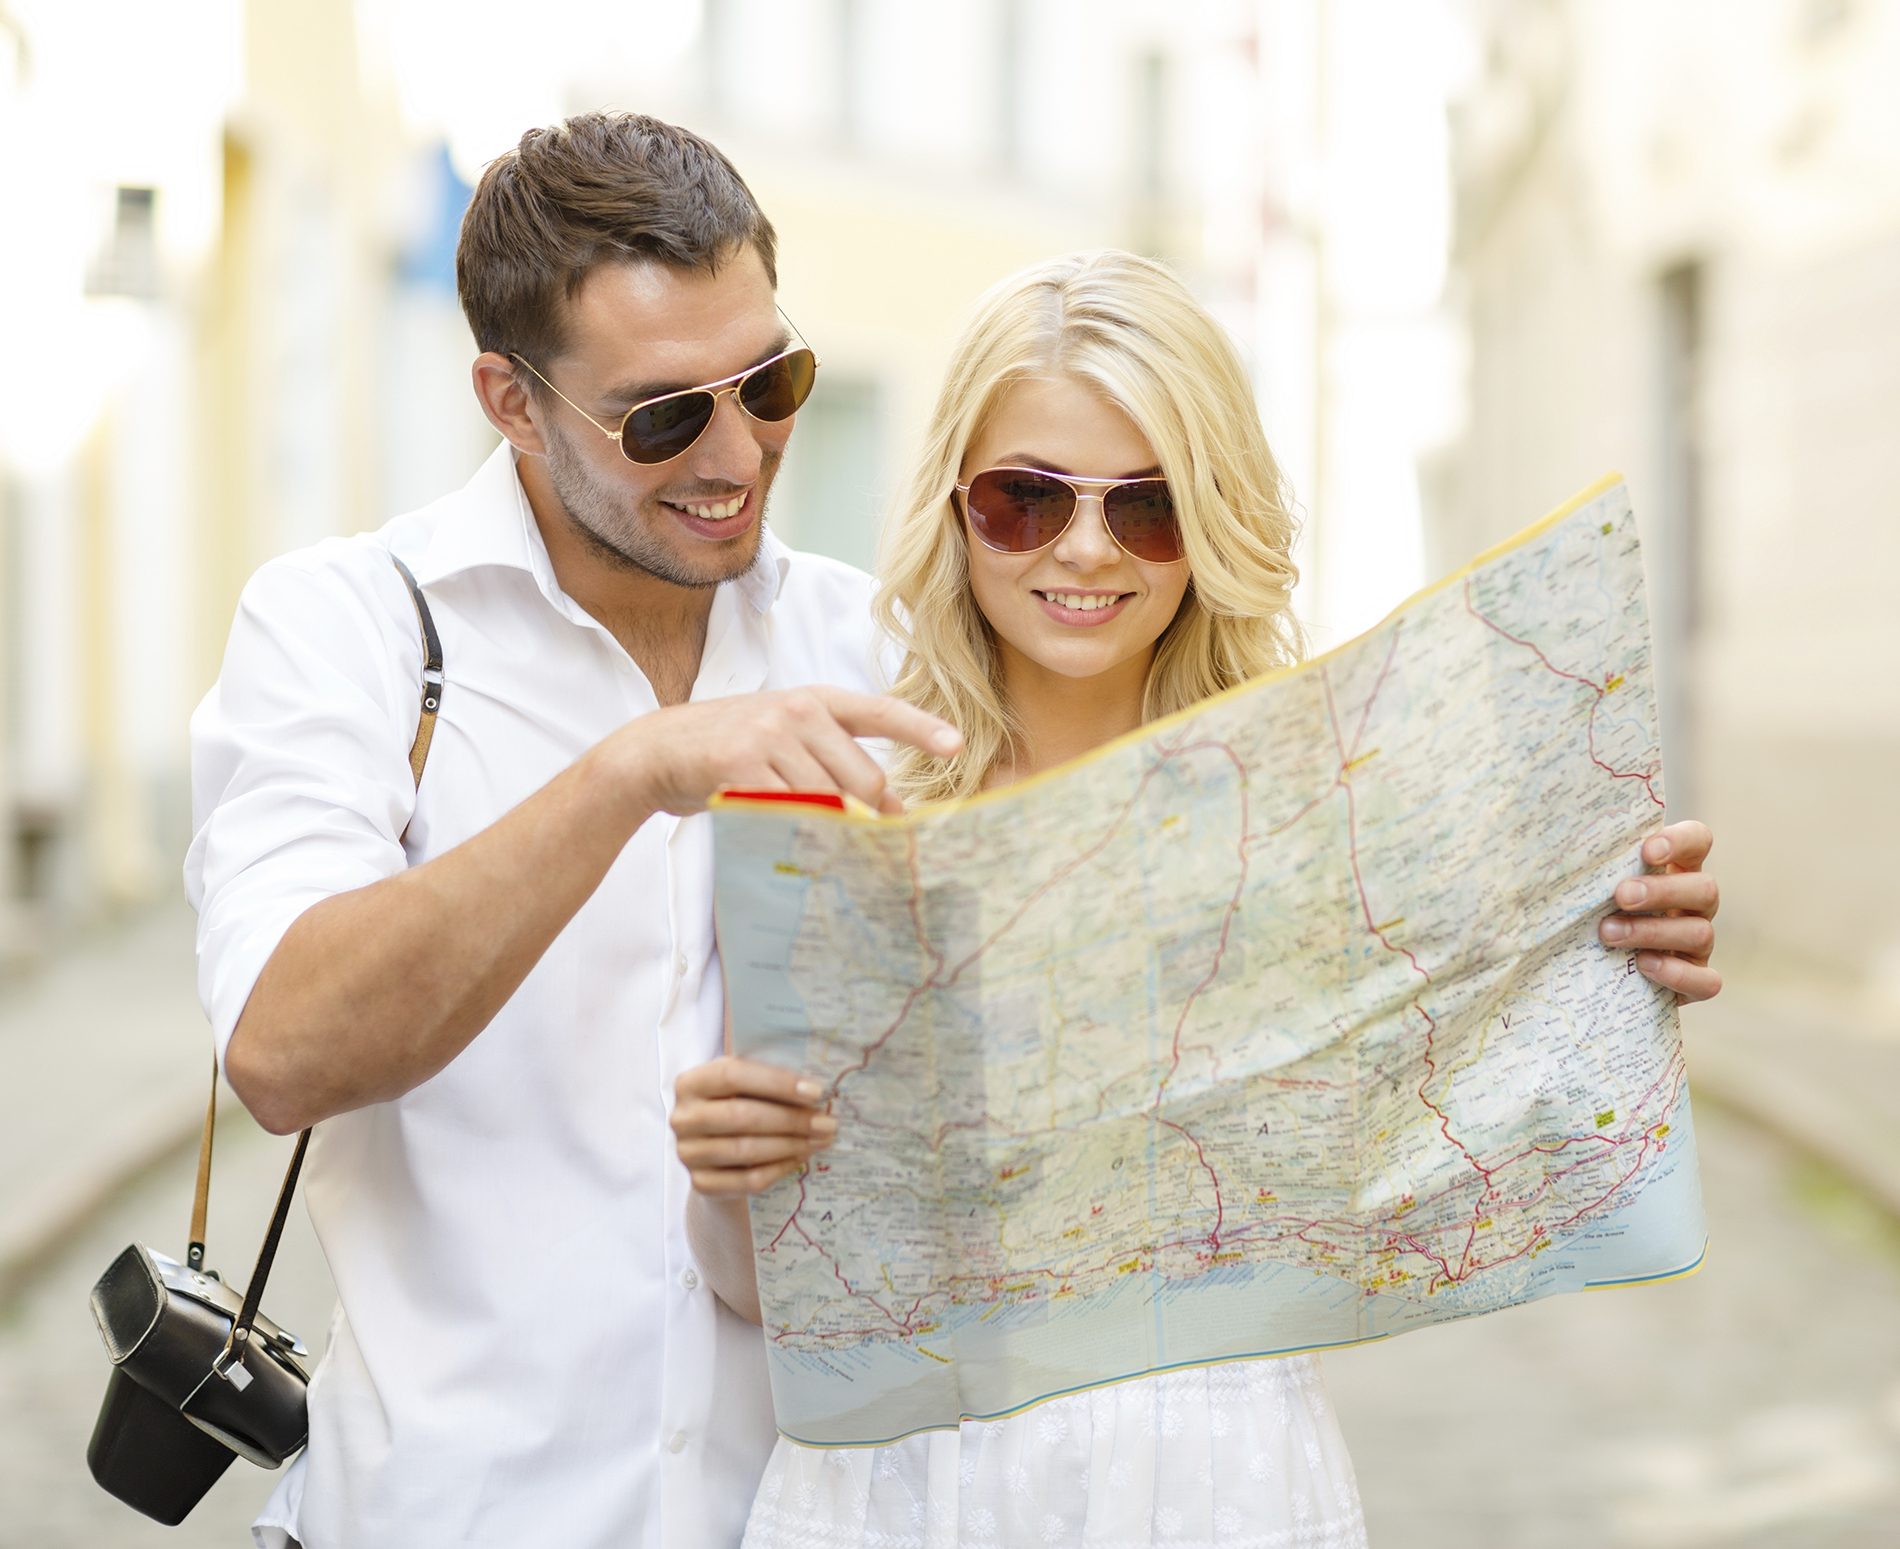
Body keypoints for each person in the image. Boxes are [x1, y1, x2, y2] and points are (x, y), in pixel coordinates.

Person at [671, 250, 1723, 1547]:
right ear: (955, 507)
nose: (1087, 549)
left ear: (1212, 517)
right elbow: (763, 1292)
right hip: (902, 1494)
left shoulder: (1319, 822)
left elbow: (1452, 1153)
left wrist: (1613, 955)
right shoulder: (843, 824)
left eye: (1150, 504)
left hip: (1213, 1485)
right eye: (1026, 499)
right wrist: (728, 1180)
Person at [186, 112, 960, 1549]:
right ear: (511, 398)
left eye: (772, 381)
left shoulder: (869, 643)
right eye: (666, 413)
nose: (740, 450)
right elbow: (285, 1052)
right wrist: (629, 775)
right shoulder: (347, 628)